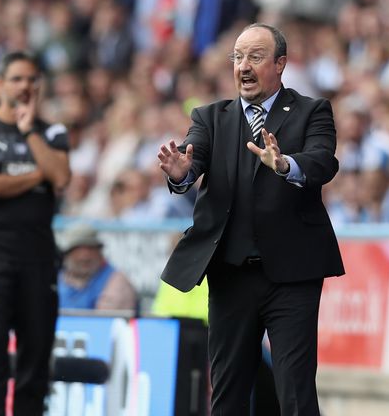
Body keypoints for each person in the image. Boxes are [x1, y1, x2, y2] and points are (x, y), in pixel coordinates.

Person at [157, 23, 345, 415]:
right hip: (231, 274)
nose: (243, 65)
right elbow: (194, 161)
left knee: (295, 390)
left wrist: (285, 164)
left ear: (280, 64)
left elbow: (322, 162)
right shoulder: (210, 117)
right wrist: (180, 174)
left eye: (255, 57)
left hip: (292, 275)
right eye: (238, 57)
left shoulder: (313, 111)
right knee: (227, 393)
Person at [0, 50, 70, 416]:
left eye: (32, 79)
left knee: (35, 354)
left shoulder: (52, 131)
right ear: (0, 84)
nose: (25, 86)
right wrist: (38, 174)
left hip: (39, 257)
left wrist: (28, 132)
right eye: (17, 79)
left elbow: (62, 177)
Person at [57, 222, 137, 311]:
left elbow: (107, 320)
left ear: (100, 252)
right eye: (78, 250)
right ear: (67, 254)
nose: (84, 256)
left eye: (90, 249)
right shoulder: (57, 278)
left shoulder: (114, 281)